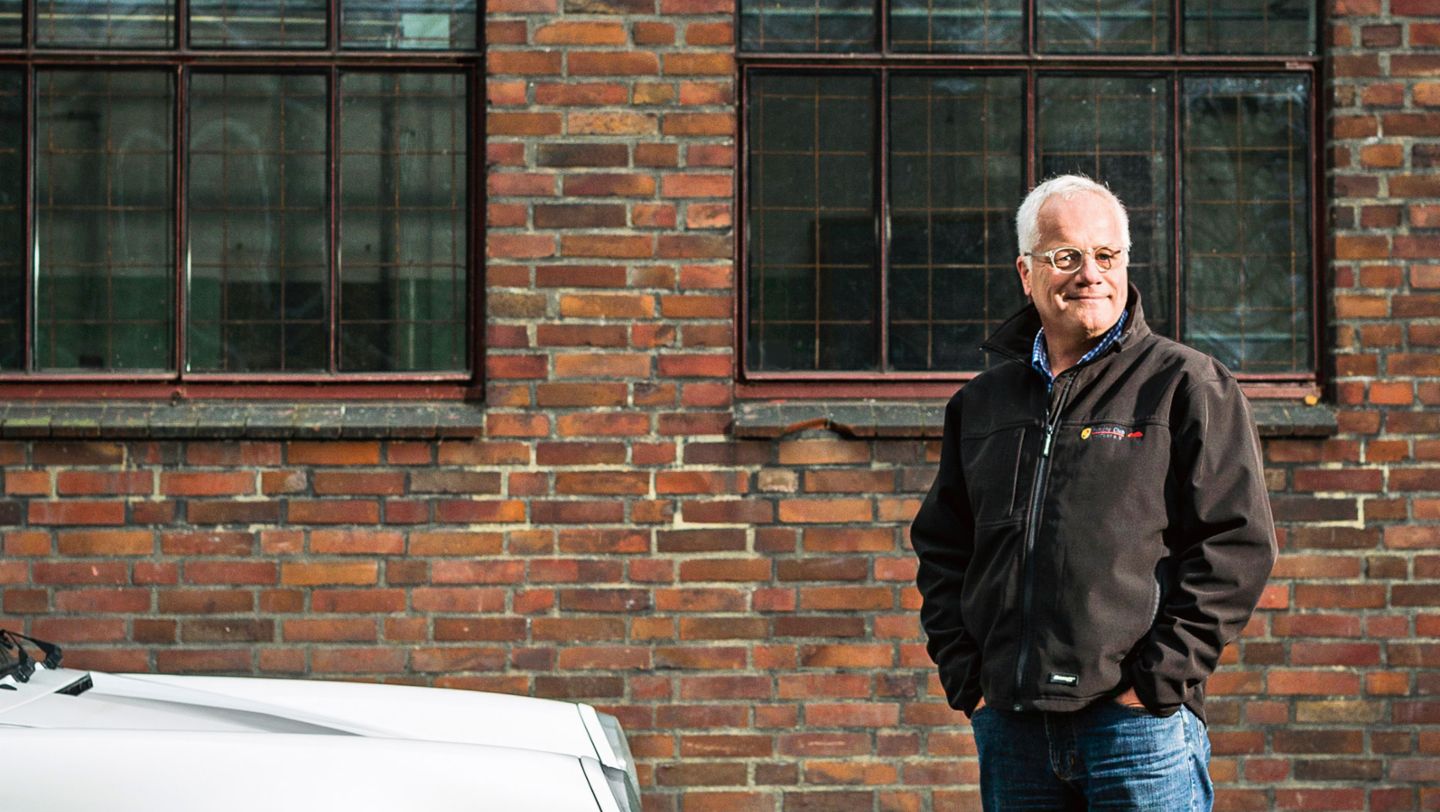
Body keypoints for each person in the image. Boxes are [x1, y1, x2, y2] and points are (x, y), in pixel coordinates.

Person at [910, 174, 1276, 810]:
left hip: (1137, 731)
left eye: (1106, 256)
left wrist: (1158, 681)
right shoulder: (981, 404)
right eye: (1065, 256)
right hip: (1014, 727)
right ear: (1027, 273)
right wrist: (969, 679)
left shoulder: (1184, 385)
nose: (1089, 274)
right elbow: (943, 548)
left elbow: (1236, 545)